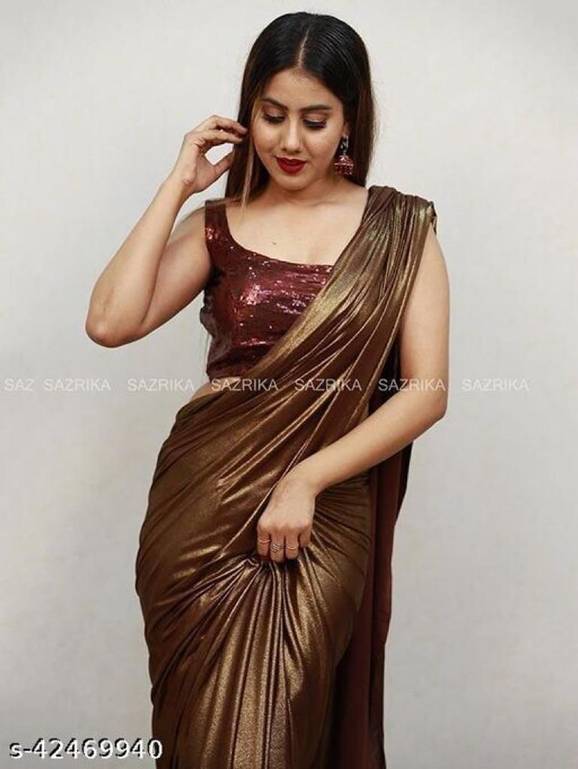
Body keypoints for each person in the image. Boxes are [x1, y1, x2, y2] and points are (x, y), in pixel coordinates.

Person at [85, 11, 449, 769]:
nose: (290, 140)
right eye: (272, 114)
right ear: (246, 112)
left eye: (314, 120)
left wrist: (306, 478)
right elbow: (110, 322)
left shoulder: (400, 229)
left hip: (321, 512)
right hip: (203, 508)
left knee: (275, 733)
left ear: (348, 121)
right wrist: (177, 185)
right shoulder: (219, 224)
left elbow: (426, 392)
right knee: (200, 741)